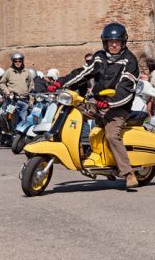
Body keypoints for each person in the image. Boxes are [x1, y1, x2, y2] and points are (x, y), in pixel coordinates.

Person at [48, 22, 140, 189]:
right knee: (72, 108)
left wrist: (109, 103)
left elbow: (125, 89)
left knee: (112, 134)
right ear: (105, 42)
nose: (113, 44)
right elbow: (83, 73)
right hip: (97, 102)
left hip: (119, 106)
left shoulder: (130, 61)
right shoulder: (100, 57)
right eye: (110, 41)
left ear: (123, 42)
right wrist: (60, 83)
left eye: (117, 42)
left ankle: (128, 173)